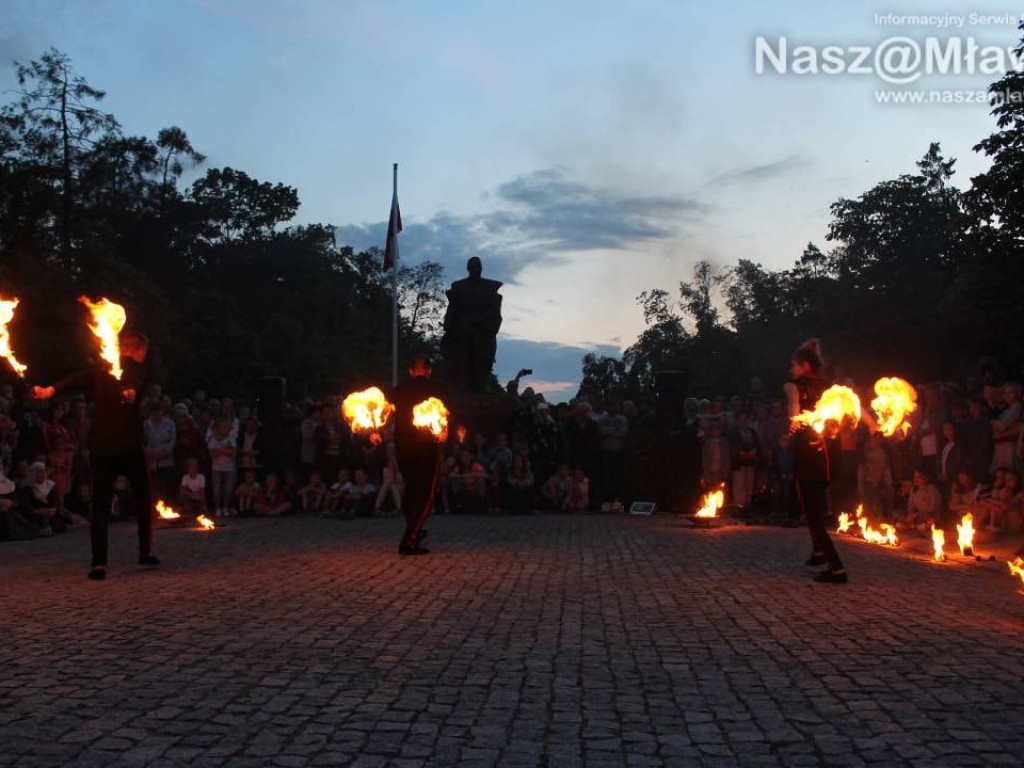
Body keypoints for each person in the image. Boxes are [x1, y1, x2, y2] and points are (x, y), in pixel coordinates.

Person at [34, 331, 159, 580]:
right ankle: (142, 552)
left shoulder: (110, 370)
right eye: (142, 351)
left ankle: (99, 563)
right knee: (142, 499)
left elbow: (81, 378)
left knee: (102, 505)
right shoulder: (127, 367)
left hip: (105, 448)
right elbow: (129, 380)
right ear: (137, 350)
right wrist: (52, 390)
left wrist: (51, 390)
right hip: (124, 447)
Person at [784, 339, 847, 584]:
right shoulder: (831, 387)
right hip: (831, 456)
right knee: (816, 507)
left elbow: (794, 413)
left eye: (794, 364)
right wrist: (875, 426)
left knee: (812, 517)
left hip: (809, 456)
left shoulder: (792, 387)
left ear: (805, 365)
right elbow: (855, 406)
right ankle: (818, 552)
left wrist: (790, 431)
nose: (791, 369)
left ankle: (836, 568)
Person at [391, 356, 449, 555]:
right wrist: (444, 433)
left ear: (411, 371)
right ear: (429, 370)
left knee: (411, 490)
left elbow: (383, 413)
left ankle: (414, 529)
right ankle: (409, 540)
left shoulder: (398, 390)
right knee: (425, 494)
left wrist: (374, 434)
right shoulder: (438, 389)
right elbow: (447, 415)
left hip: (403, 448)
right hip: (425, 448)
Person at [206, 417, 237, 517]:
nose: (224, 429)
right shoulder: (213, 439)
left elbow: (233, 452)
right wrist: (225, 451)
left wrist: (219, 451)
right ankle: (218, 508)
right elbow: (211, 454)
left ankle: (225, 508)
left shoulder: (231, 439)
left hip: (229, 468)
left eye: (226, 427)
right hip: (216, 468)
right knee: (217, 490)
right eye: (222, 427)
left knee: (228, 490)